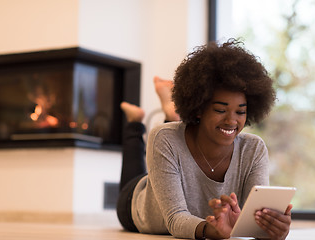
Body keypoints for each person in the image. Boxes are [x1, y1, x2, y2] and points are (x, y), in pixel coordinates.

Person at [116, 39, 292, 240]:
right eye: (220, 110)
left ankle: (170, 113)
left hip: (174, 152)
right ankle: (134, 122)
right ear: (199, 108)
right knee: (141, 166)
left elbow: (254, 220)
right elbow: (174, 219)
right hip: (136, 204)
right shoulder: (163, 137)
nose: (231, 121)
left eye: (240, 112)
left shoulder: (253, 149)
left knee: (171, 135)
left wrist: (271, 229)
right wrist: (212, 230)